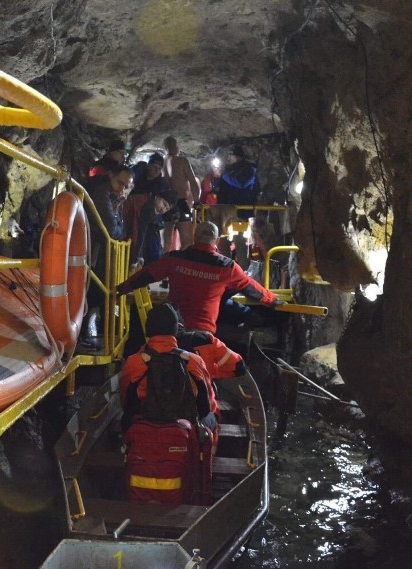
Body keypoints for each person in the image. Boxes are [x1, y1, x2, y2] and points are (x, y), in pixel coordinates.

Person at [116, 221, 283, 334]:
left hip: (174, 329)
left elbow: (145, 276)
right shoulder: (227, 267)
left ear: (195, 237)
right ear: (216, 240)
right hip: (203, 333)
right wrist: (274, 301)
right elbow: (252, 289)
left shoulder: (174, 259)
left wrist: (120, 289)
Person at [119, 303, 215, 432]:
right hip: (185, 427)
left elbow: (125, 402)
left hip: (143, 426)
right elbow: (205, 404)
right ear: (176, 329)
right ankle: (203, 450)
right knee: (212, 418)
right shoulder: (194, 361)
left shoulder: (134, 362)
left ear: (148, 329)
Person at [80, 164, 134, 349]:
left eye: (127, 186)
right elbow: (112, 228)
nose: (123, 188)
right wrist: (118, 231)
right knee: (90, 291)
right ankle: (81, 335)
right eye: (120, 183)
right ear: (110, 174)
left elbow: (121, 228)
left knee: (98, 291)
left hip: (98, 250)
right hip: (89, 250)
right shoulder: (101, 192)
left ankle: (91, 332)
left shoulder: (113, 195)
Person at [123, 153, 170, 268]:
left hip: (150, 219)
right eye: (154, 167)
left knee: (152, 250)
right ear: (148, 165)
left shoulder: (161, 184)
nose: (155, 171)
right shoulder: (138, 174)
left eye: (159, 169)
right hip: (130, 213)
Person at [161, 136, 201, 252]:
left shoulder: (161, 163)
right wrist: (197, 202)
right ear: (176, 146)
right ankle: (182, 265)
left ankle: (165, 265)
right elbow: (193, 183)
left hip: (165, 204)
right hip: (180, 202)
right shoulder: (182, 161)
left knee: (166, 242)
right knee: (186, 241)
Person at [217, 146, 260, 219]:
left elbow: (241, 184)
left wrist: (223, 175)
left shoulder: (249, 170)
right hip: (229, 208)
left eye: (231, 156)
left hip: (244, 209)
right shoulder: (229, 171)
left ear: (238, 156)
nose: (229, 158)